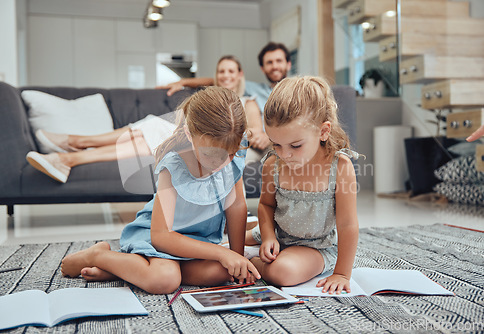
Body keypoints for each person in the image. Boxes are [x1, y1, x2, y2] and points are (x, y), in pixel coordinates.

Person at [60, 86, 261, 294]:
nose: (220, 163)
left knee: (221, 273)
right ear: (190, 135)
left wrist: (236, 258)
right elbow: (161, 237)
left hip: (198, 245)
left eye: (229, 154)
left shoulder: (233, 154)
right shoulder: (173, 166)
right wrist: (221, 253)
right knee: (165, 280)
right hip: (160, 238)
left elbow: (236, 205)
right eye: (210, 154)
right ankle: (98, 256)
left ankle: (131, 269)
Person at [26, 55, 269, 183]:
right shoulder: (211, 96)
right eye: (221, 71)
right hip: (193, 137)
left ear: (239, 75)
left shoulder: (246, 101)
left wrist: (257, 135)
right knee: (152, 128)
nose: (225, 76)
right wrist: (184, 81)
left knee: (153, 134)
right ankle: (73, 150)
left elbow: (255, 133)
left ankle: (72, 151)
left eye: (230, 71)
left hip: (219, 145)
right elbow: (205, 84)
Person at [247, 76, 360, 294]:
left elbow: (347, 225)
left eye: (295, 145)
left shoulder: (340, 167)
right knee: (219, 247)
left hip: (315, 247)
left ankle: (247, 261)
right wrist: (269, 236)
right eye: (276, 144)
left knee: (283, 272)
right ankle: (244, 245)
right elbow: (266, 206)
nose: (284, 154)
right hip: (276, 235)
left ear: (323, 132)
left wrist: (342, 273)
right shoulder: (273, 164)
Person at [158, 42, 292, 112]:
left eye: (279, 61)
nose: (274, 66)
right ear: (263, 68)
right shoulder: (256, 89)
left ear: (288, 64)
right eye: (269, 62)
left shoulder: (298, 92)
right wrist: (183, 82)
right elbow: (217, 81)